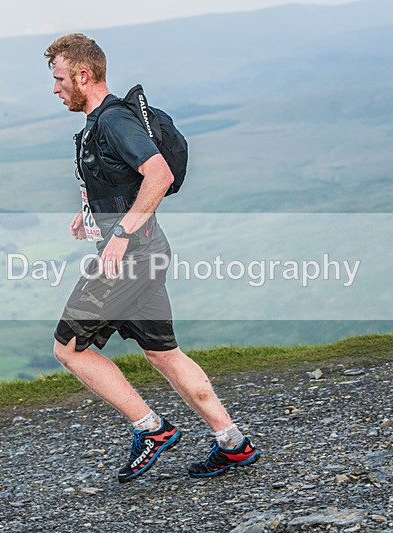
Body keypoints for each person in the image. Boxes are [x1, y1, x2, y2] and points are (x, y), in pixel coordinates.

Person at [45, 33, 259, 482]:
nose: (56, 88)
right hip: (147, 251)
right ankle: (233, 443)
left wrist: (120, 234)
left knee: (68, 349)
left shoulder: (113, 121)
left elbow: (157, 173)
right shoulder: (98, 124)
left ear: (84, 75)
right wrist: (91, 216)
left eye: (60, 78)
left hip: (131, 257)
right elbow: (122, 183)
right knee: (163, 354)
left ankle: (152, 428)